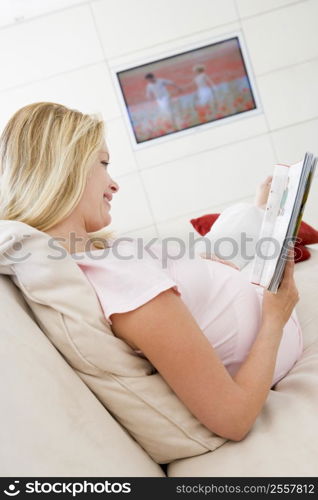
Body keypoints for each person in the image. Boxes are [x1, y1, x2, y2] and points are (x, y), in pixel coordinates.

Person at [0, 102, 301, 443]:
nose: (114, 185)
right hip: (275, 334)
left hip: (255, 295)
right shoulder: (121, 280)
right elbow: (233, 418)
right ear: (64, 169)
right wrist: (276, 316)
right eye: (103, 163)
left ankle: (261, 210)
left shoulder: (101, 258)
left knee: (249, 221)